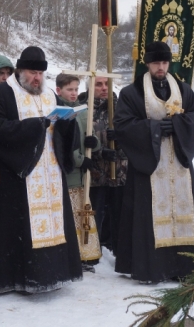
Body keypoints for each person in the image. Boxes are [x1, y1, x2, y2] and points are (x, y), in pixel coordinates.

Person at [0, 46, 82, 293]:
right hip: (19, 173)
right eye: (31, 72)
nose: (36, 78)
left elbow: (59, 131)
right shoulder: (3, 94)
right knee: (19, 230)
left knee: (54, 222)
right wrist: (34, 126)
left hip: (51, 172)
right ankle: (19, 278)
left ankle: (54, 273)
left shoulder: (50, 94)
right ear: (19, 71)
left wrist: (68, 123)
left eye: (40, 73)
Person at [113, 41, 194, 283]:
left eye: (165, 62)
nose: (161, 67)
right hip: (149, 164)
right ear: (147, 63)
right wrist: (155, 128)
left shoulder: (183, 89)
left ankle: (186, 266)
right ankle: (151, 269)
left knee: (183, 211)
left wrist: (177, 125)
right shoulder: (132, 92)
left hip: (177, 162)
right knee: (149, 215)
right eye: (156, 62)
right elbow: (123, 126)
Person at [55, 73, 101, 272]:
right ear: (59, 90)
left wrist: (94, 143)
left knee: (83, 211)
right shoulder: (60, 111)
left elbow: (89, 137)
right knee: (72, 213)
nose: (74, 93)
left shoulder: (83, 111)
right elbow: (64, 143)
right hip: (70, 172)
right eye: (69, 90)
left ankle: (87, 253)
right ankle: (74, 253)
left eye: (76, 89)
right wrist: (81, 160)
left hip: (83, 176)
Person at [79, 76, 127, 254]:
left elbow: (134, 136)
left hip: (119, 171)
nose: (104, 88)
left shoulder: (121, 107)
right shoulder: (82, 108)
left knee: (118, 217)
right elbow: (78, 140)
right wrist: (99, 151)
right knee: (94, 215)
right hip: (94, 174)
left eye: (107, 84)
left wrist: (121, 138)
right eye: (98, 84)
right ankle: (92, 249)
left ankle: (118, 251)